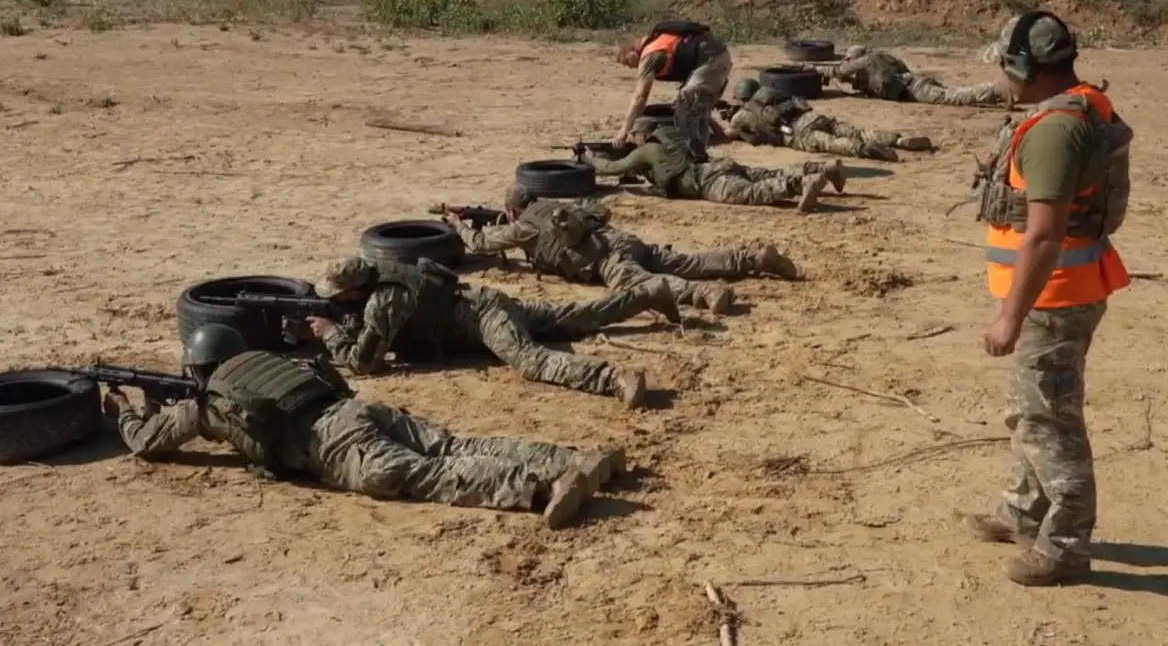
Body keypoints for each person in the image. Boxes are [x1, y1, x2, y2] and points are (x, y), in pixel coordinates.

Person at [106, 324, 626, 528]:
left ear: (197, 369)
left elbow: (148, 443)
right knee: (453, 445)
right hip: (361, 411)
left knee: (428, 476)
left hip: (333, 444)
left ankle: (544, 487)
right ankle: (571, 458)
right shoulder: (266, 359)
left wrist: (124, 411)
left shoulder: (207, 404)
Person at [961, 11, 1133, 586]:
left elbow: (1043, 234)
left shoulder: (1056, 131)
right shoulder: (1078, 107)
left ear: (1024, 66)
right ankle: (1023, 510)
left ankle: (1065, 546)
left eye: (1005, 66)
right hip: (1059, 289)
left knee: (1051, 422)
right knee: (1030, 409)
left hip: (1054, 296)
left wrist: (1009, 317)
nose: (1001, 78)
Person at [307, 256, 679, 408]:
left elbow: (366, 363)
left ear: (354, 291)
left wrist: (330, 334)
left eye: (338, 295)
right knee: (571, 317)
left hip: (483, 319)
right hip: (483, 301)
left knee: (530, 360)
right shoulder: (382, 271)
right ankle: (647, 294)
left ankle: (613, 378)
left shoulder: (384, 300)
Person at [444, 184, 802, 315]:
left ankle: (704, 293)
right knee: (685, 260)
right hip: (624, 240)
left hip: (607, 258)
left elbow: (481, 243)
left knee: (641, 285)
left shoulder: (524, 226)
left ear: (512, 210)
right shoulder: (557, 206)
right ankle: (754, 258)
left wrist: (457, 224)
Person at [583, 120, 844, 214]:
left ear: (643, 134)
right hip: (717, 166)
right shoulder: (672, 138)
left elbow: (612, 168)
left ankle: (800, 184)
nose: (630, 140)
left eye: (632, 135)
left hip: (705, 181)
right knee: (766, 173)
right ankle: (822, 168)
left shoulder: (647, 150)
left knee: (753, 192)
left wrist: (589, 158)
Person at [717, 79, 936, 161]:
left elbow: (730, 132)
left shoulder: (743, 115)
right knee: (856, 131)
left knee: (831, 143)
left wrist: (727, 117)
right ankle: (899, 140)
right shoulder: (772, 93)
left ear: (742, 97)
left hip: (796, 131)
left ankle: (864, 149)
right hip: (812, 116)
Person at [613, 20, 732, 151]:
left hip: (712, 60)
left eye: (626, 61)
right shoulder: (657, 41)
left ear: (632, 51)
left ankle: (692, 154)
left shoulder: (650, 56)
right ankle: (702, 147)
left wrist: (624, 131)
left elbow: (640, 98)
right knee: (694, 108)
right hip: (717, 56)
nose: (628, 66)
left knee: (686, 112)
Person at [817, 45, 1012, 107]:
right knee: (953, 94)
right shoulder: (881, 59)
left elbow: (839, 71)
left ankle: (997, 91)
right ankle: (995, 96)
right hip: (915, 82)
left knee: (952, 97)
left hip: (914, 88)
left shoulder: (866, 61)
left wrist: (818, 70)